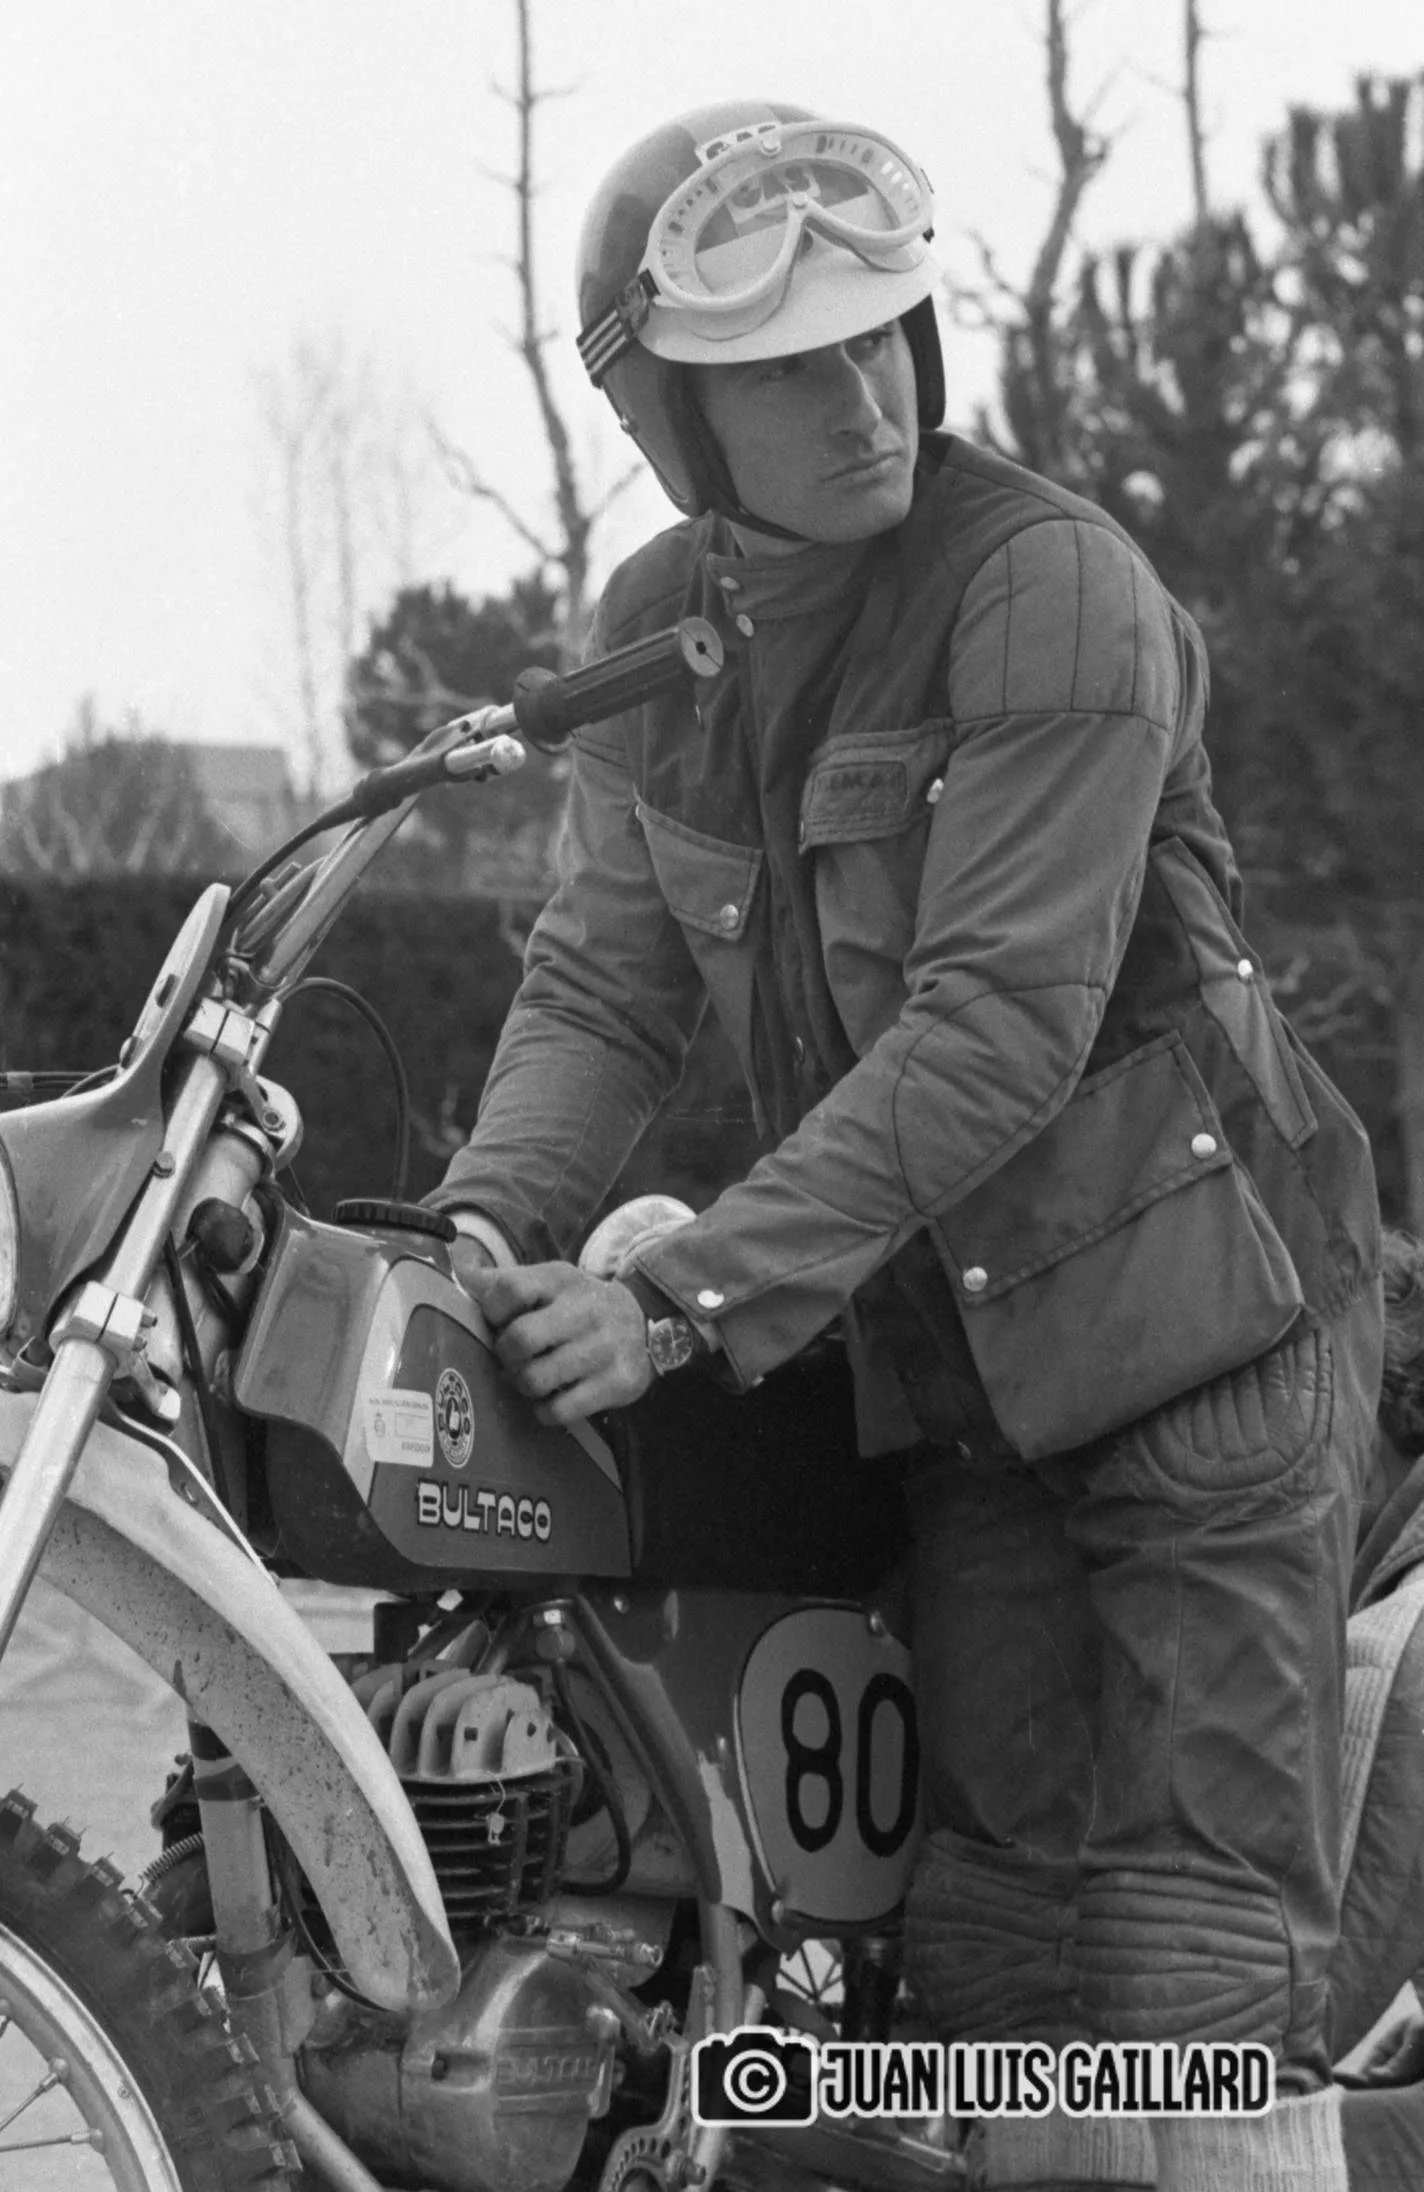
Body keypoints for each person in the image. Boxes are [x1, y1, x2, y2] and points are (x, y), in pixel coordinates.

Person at [425, 101, 1383, 2191]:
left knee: (1186, 1989)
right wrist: (472, 1234)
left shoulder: (1048, 589)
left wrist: (680, 1296)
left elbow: (995, 1026)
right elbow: (600, 992)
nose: (857, 395)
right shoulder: (663, 632)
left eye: (876, 335)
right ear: (673, 415)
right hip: (971, 1385)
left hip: (1207, 1348)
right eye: (786, 366)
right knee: (983, 1968)